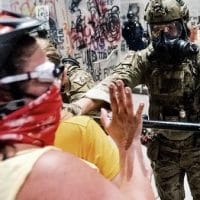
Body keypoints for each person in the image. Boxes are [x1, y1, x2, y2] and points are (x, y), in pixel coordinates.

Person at [0, 10, 154, 200]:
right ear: (5, 94)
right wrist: (129, 145)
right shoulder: (47, 169)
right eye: (46, 75)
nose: (55, 85)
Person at [73, 0, 200, 199]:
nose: (164, 36)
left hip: (197, 144)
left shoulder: (196, 58)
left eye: (171, 28)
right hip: (164, 147)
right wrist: (76, 108)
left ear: (183, 27)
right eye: (157, 30)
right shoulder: (144, 59)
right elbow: (113, 83)